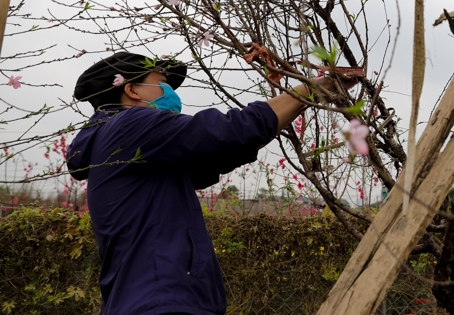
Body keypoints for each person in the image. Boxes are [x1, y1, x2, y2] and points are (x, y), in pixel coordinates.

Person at [67, 51, 341, 315]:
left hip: (146, 299)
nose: (169, 92)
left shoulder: (121, 144)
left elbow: (229, 146)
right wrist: (314, 87)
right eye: (161, 83)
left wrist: (304, 96)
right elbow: (230, 131)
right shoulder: (131, 124)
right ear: (133, 91)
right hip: (162, 301)